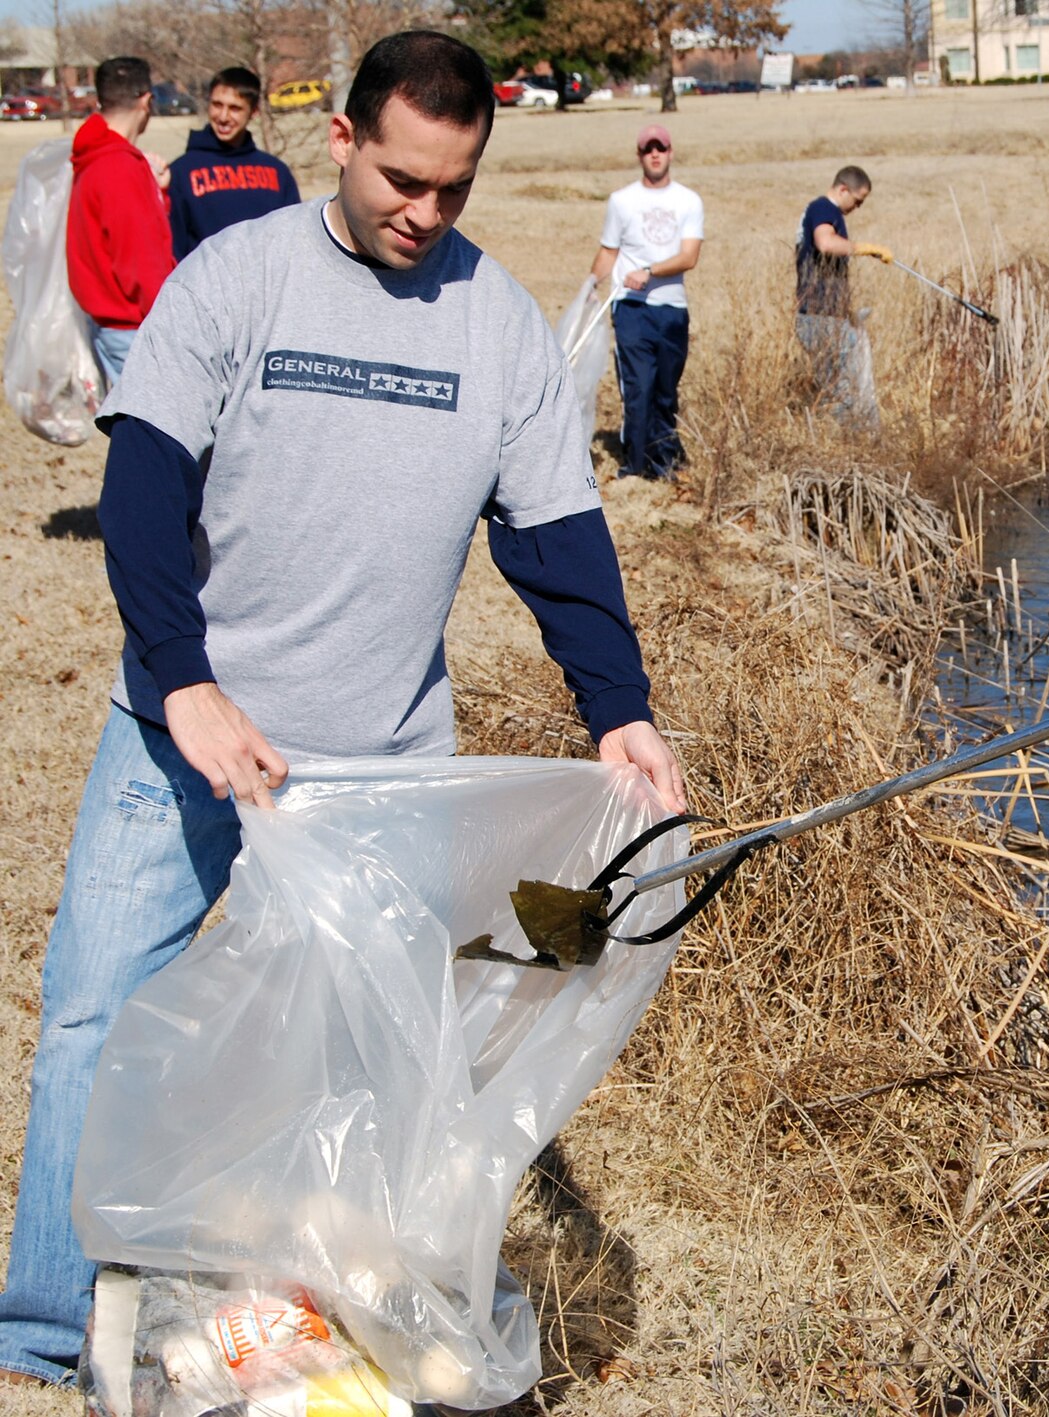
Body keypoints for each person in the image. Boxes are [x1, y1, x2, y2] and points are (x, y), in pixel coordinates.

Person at [0, 30, 685, 1388]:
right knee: (93, 1009)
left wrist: (619, 706)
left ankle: (335, 1313)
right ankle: (41, 1329)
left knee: (374, 1052)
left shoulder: (494, 326)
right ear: (345, 142)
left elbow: (555, 531)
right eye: (404, 181)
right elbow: (142, 496)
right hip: (188, 740)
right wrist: (184, 682)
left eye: (455, 188)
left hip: (380, 765)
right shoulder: (236, 280)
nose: (425, 213)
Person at [589, 123, 703, 480]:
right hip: (631, 307)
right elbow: (609, 250)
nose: (655, 154)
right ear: (639, 155)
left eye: (661, 148)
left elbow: (689, 257)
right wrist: (591, 286)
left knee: (665, 390)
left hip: (672, 308)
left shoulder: (688, 201)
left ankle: (665, 460)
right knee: (638, 387)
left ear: (670, 153)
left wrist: (649, 271)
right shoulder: (622, 201)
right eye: (648, 148)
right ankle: (635, 466)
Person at [66, 55, 174, 388]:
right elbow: (141, 261)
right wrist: (171, 325)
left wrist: (158, 193)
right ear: (147, 100)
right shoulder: (119, 168)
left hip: (110, 326)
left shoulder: (95, 158)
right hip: (134, 330)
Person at [166, 66, 301, 259]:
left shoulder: (277, 173)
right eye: (217, 105)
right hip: (204, 286)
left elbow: (291, 243)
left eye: (235, 108)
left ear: (253, 112)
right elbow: (174, 249)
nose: (223, 117)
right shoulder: (181, 172)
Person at [795, 166, 889, 430]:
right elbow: (825, 243)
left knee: (843, 386)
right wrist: (863, 248)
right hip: (820, 316)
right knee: (843, 391)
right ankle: (849, 446)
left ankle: (851, 442)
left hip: (823, 315)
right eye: (857, 201)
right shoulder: (824, 208)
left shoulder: (820, 210)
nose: (857, 208)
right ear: (843, 189)